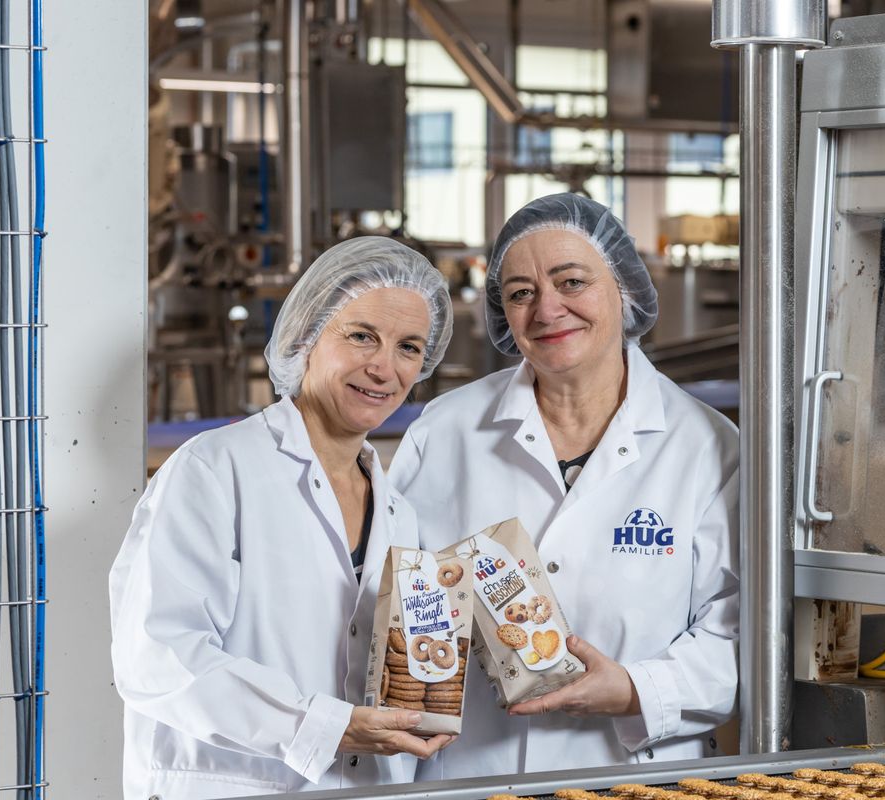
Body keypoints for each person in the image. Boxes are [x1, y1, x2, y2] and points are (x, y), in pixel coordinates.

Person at [389, 194, 739, 779]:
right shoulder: (446, 430)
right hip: (472, 775)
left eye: (572, 282)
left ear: (624, 288)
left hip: (633, 776)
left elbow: (739, 633)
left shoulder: (706, 446)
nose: (548, 309)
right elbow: (391, 594)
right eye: (521, 293)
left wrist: (634, 689)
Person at [110, 237, 456, 799]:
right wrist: (319, 726)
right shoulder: (215, 469)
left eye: (409, 347)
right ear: (306, 335)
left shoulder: (398, 512)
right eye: (361, 335)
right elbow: (157, 655)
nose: (383, 367)